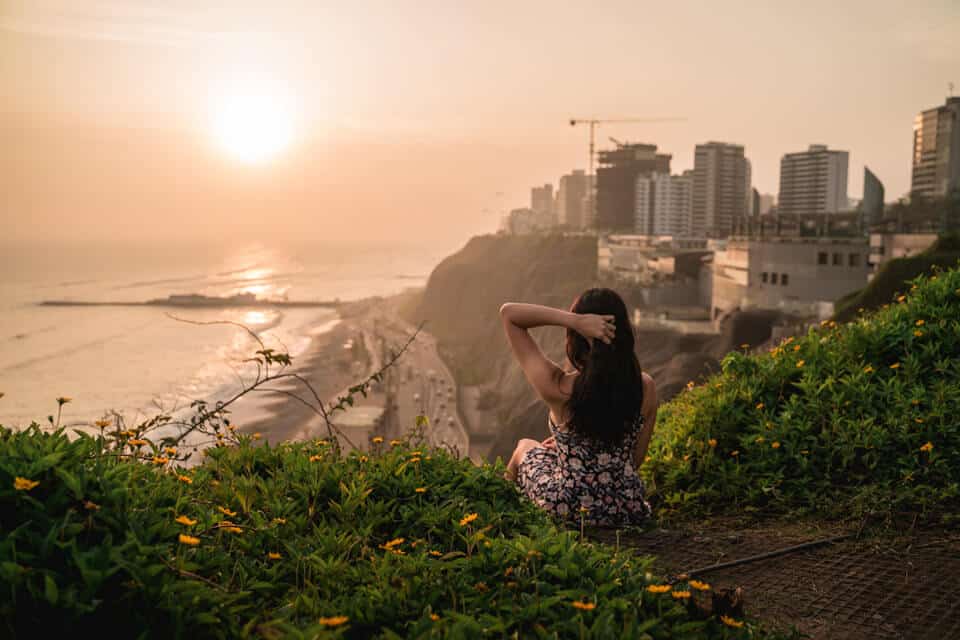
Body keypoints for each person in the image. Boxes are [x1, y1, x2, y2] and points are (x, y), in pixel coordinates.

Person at [499, 288, 657, 526]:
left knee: (525, 446)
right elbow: (635, 459)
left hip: (567, 507)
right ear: (624, 331)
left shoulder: (559, 387)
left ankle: (499, 514)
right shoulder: (645, 387)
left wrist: (574, 321)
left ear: (576, 337)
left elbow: (509, 314)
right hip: (627, 508)